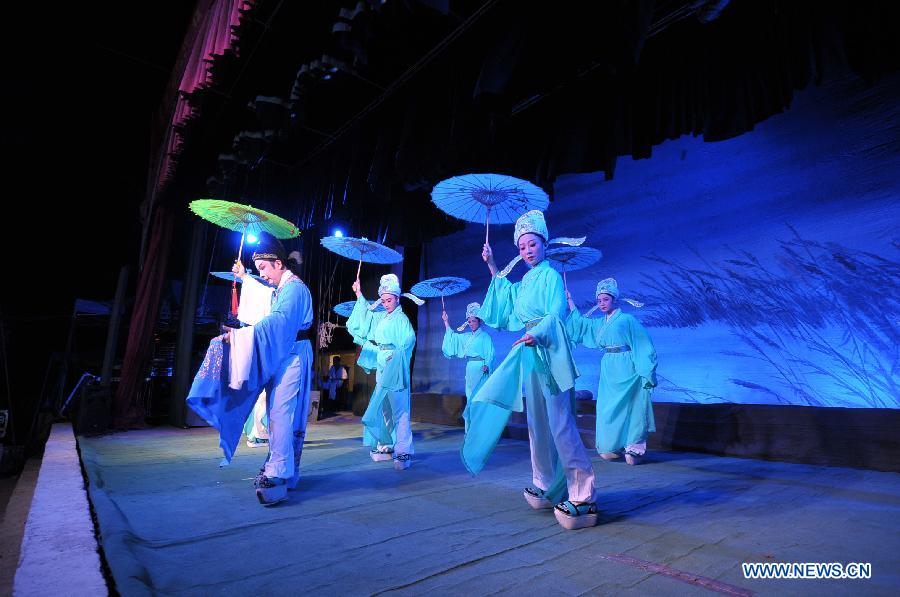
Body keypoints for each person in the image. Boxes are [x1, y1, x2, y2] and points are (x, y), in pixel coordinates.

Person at [462, 210, 599, 530]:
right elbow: (508, 303)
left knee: (561, 423)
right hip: (529, 352)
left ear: (544, 243)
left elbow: (555, 314)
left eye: (532, 243)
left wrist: (536, 334)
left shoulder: (550, 276)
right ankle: (547, 482)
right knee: (538, 424)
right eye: (522, 246)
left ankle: (584, 493)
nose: (527, 250)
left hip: (550, 351)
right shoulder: (524, 281)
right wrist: (493, 265)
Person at [187, 234, 313, 506]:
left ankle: (280, 471)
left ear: (278, 263)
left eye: (264, 269)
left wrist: (244, 337)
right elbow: (265, 303)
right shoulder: (282, 287)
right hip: (282, 352)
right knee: (275, 412)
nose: (263, 275)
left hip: (292, 354)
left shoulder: (295, 289)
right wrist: (245, 280)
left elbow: (279, 322)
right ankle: (282, 468)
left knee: (280, 413)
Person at [566, 278, 657, 465]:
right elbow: (581, 326)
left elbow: (642, 344)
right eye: (599, 300)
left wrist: (645, 370)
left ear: (614, 299)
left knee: (633, 405)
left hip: (628, 366)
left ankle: (634, 445)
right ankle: (613, 443)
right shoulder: (600, 323)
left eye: (605, 300)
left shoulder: (627, 320)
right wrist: (570, 302)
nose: (602, 304)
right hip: (609, 367)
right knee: (608, 410)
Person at [346, 273, 421, 470]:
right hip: (383, 365)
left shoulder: (401, 319)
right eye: (384, 300)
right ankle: (387, 445)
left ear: (397, 299)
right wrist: (359, 293)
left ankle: (403, 450)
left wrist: (397, 355)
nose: (386, 303)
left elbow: (409, 340)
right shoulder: (382, 316)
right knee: (385, 408)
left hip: (395, 365)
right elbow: (365, 320)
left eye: (390, 300)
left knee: (400, 410)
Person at [441, 302, 495, 429]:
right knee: (470, 396)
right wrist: (446, 321)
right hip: (470, 368)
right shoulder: (466, 337)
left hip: (481, 368)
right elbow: (453, 338)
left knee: (480, 397)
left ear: (479, 321)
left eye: (474, 321)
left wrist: (487, 364)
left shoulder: (485, 337)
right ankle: (470, 428)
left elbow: (490, 353)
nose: (471, 324)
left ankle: (482, 427)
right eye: (469, 321)